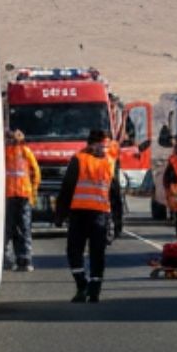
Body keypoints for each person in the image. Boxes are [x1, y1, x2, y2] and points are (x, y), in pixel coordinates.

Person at [52, 128, 123, 303]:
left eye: (105, 146)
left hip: (99, 215)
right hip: (80, 214)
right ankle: (83, 285)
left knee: (96, 253)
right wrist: (60, 214)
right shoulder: (79, 160)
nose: (102, 149)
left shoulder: (110, 163)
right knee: (75, 251)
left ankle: (93, 289)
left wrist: (118, 220)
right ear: (90, 145)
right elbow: (67, 188)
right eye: (99, 145)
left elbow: (115, 195)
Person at [3, 130, 41, 272]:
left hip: (10, 196)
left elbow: (36, 173)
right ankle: (23, 260)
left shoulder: (6, 152)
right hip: (22, 195)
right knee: (23, 229)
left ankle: (9, 260)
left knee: (8, 229)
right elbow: (36, 173)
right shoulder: (25, 152)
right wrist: (33, 192)